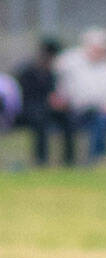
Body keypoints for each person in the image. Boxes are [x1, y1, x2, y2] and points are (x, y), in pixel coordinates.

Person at [54, 29, 106, 172]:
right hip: (81, 112)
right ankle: (96, 159)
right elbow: (69, 91)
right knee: (99, 121)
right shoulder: (70, 62)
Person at [14, 37, 74, 168]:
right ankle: (41, 160)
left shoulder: (51, 73)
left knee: (68, 118)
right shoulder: (27, 71)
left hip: (45, 108)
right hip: (26, 110)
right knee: (39, 119)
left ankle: (69, 161)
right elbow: (23, 96)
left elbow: (52, 93)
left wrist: (57, 102)